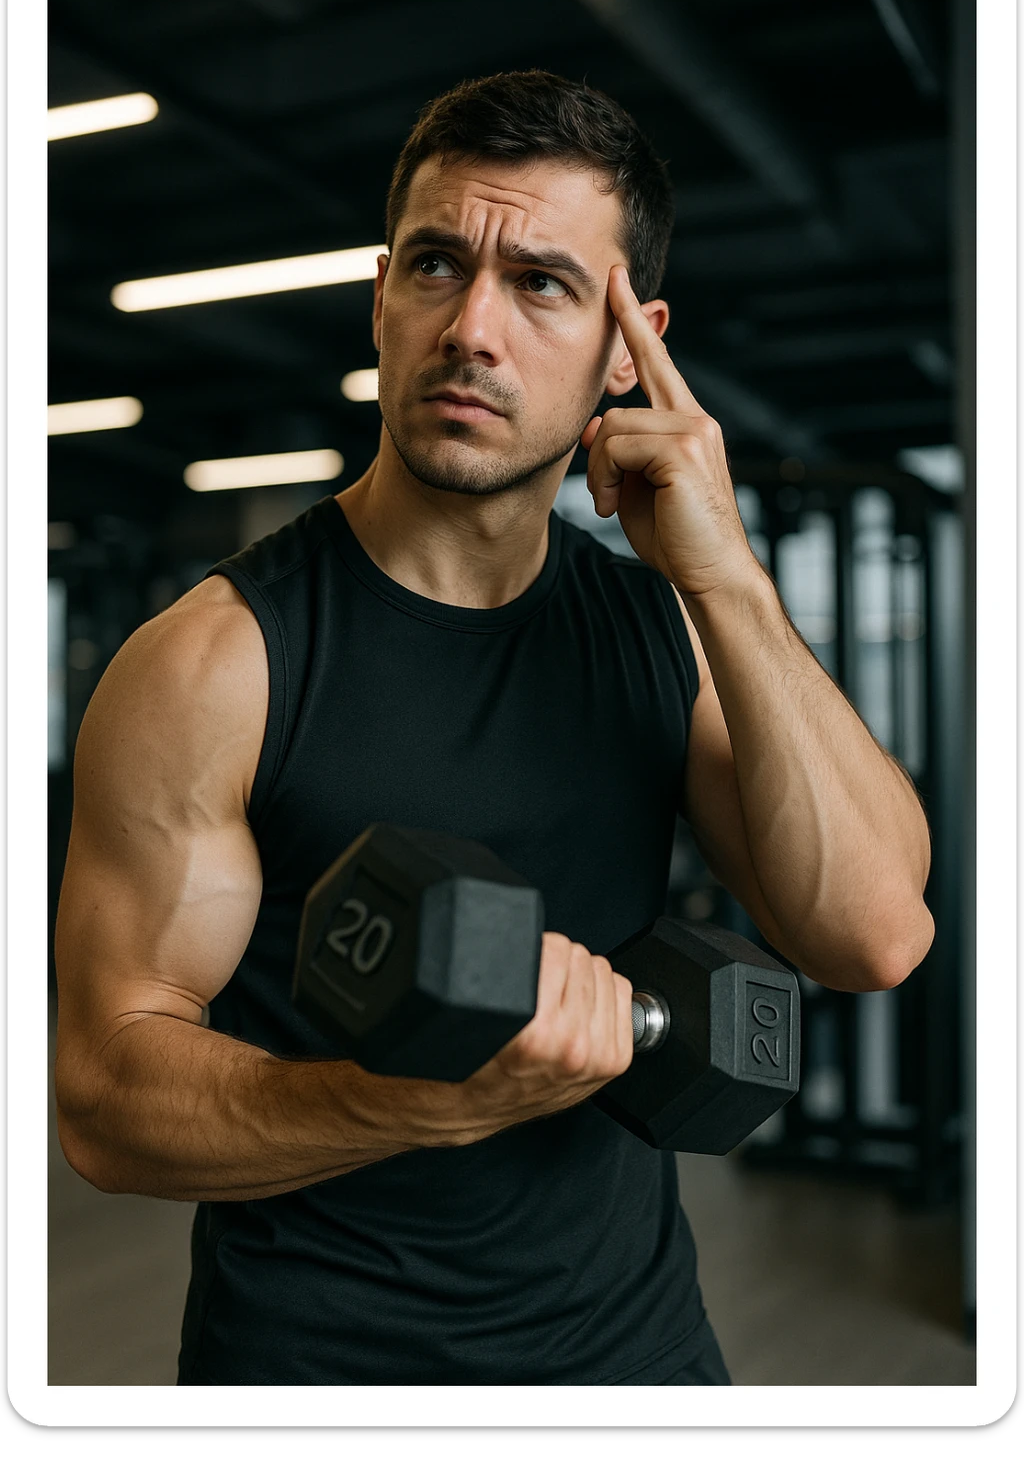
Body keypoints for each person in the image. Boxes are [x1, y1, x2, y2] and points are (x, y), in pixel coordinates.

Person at [53, 70, 935, 1387]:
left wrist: (729, 579)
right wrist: (414, 1104)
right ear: (381, 295)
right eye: (437, 264)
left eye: (543, 284)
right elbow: (108, 1104)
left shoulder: (664, 631)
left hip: (638, 1357)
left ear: (629, 348)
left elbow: (872, 933)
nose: (472, 327)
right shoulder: (219, 663)